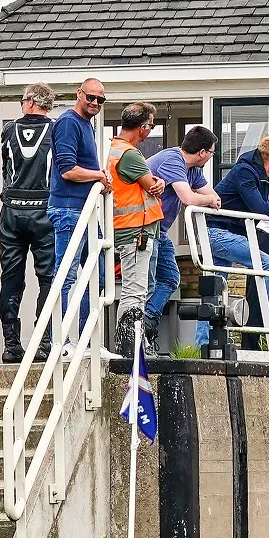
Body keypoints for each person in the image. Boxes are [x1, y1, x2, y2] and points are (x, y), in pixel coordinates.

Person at [0, 83, 58, 364]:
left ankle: (11, 345)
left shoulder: (9, 129)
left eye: (22, 100)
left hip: (11, 211)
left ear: (31, 102)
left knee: (11, 278)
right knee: (48, 278)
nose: (21, 104)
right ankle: (43, 344)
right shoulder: (56, 129)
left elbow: (6, 168)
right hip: (45, 209)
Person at [102, 103, 166, 356]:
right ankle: (131, 347)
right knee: (135, 291)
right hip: (135, 232)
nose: (149, 131)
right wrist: (157, 182)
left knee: (134, 290)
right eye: (150, 125)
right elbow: (152, 185)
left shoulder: (115, 150)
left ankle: (132, 344)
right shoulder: (129, 155)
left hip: (129, 231)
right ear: (143, 127)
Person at [147, 126, 221, 344]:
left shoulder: (193, 170)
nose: (210, 157)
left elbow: (212, 195)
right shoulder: (172, 160)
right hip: (143, 228)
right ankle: (139, 327)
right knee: (148, 283)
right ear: (202, 153)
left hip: (159, 230)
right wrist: (207, 200)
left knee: (170, 278)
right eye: (212, 153)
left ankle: (147, 322)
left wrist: (209, 199)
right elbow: (188, 198)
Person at [214, 135, 269, 340]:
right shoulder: (245, 172)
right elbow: (258, 206)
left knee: (214, 290)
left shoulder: (267, 178)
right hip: (216, 231)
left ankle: (202, 344)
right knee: (266, 262)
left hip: (228, 231)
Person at [48, 78, 108, 325]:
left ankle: (87, 337)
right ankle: (56, 342)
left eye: (100, 100)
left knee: (101, 275)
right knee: (65, 275)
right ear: (79, 94)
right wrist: (100, 176)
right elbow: (67, 170)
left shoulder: (86, 124)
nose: (95, 103)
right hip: (68, 209)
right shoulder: (68, 123)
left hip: (85, 210)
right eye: (90, 97)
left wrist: (99, 181)